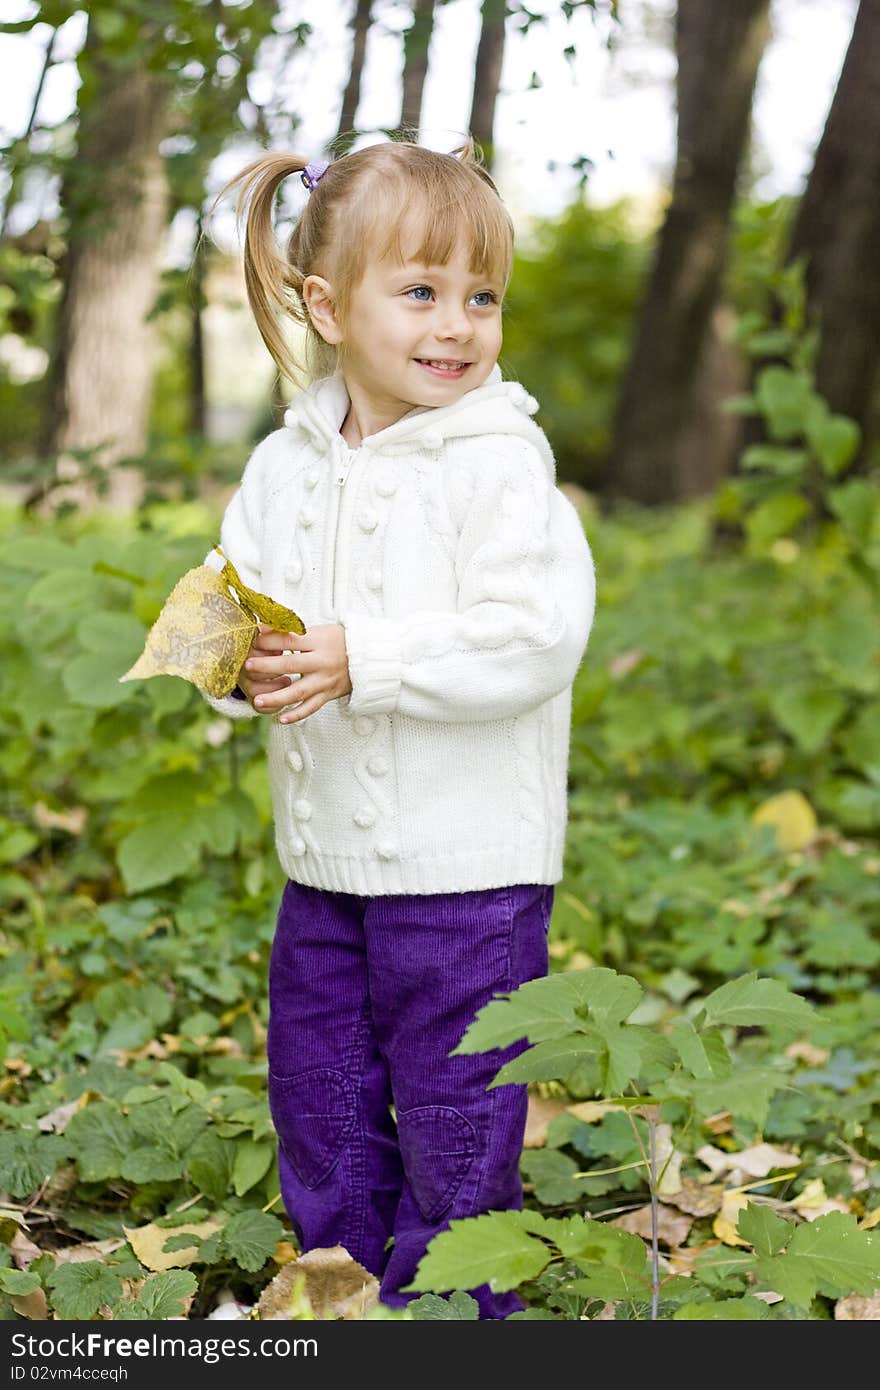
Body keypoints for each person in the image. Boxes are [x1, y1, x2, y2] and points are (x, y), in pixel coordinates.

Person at [203, 137, 596, 1318]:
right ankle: (344, 1283)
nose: (456, 324)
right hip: (321, 866)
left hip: (469, 873)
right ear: (327, 306)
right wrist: (240, 665)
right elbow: (239, 601)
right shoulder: (283, 465)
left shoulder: (499, 463)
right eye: (420, 292)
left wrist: (365, 656)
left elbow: (531, 635)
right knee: (318, 1086)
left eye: (481, 296)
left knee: (456, 1096)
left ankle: (455, 1303)